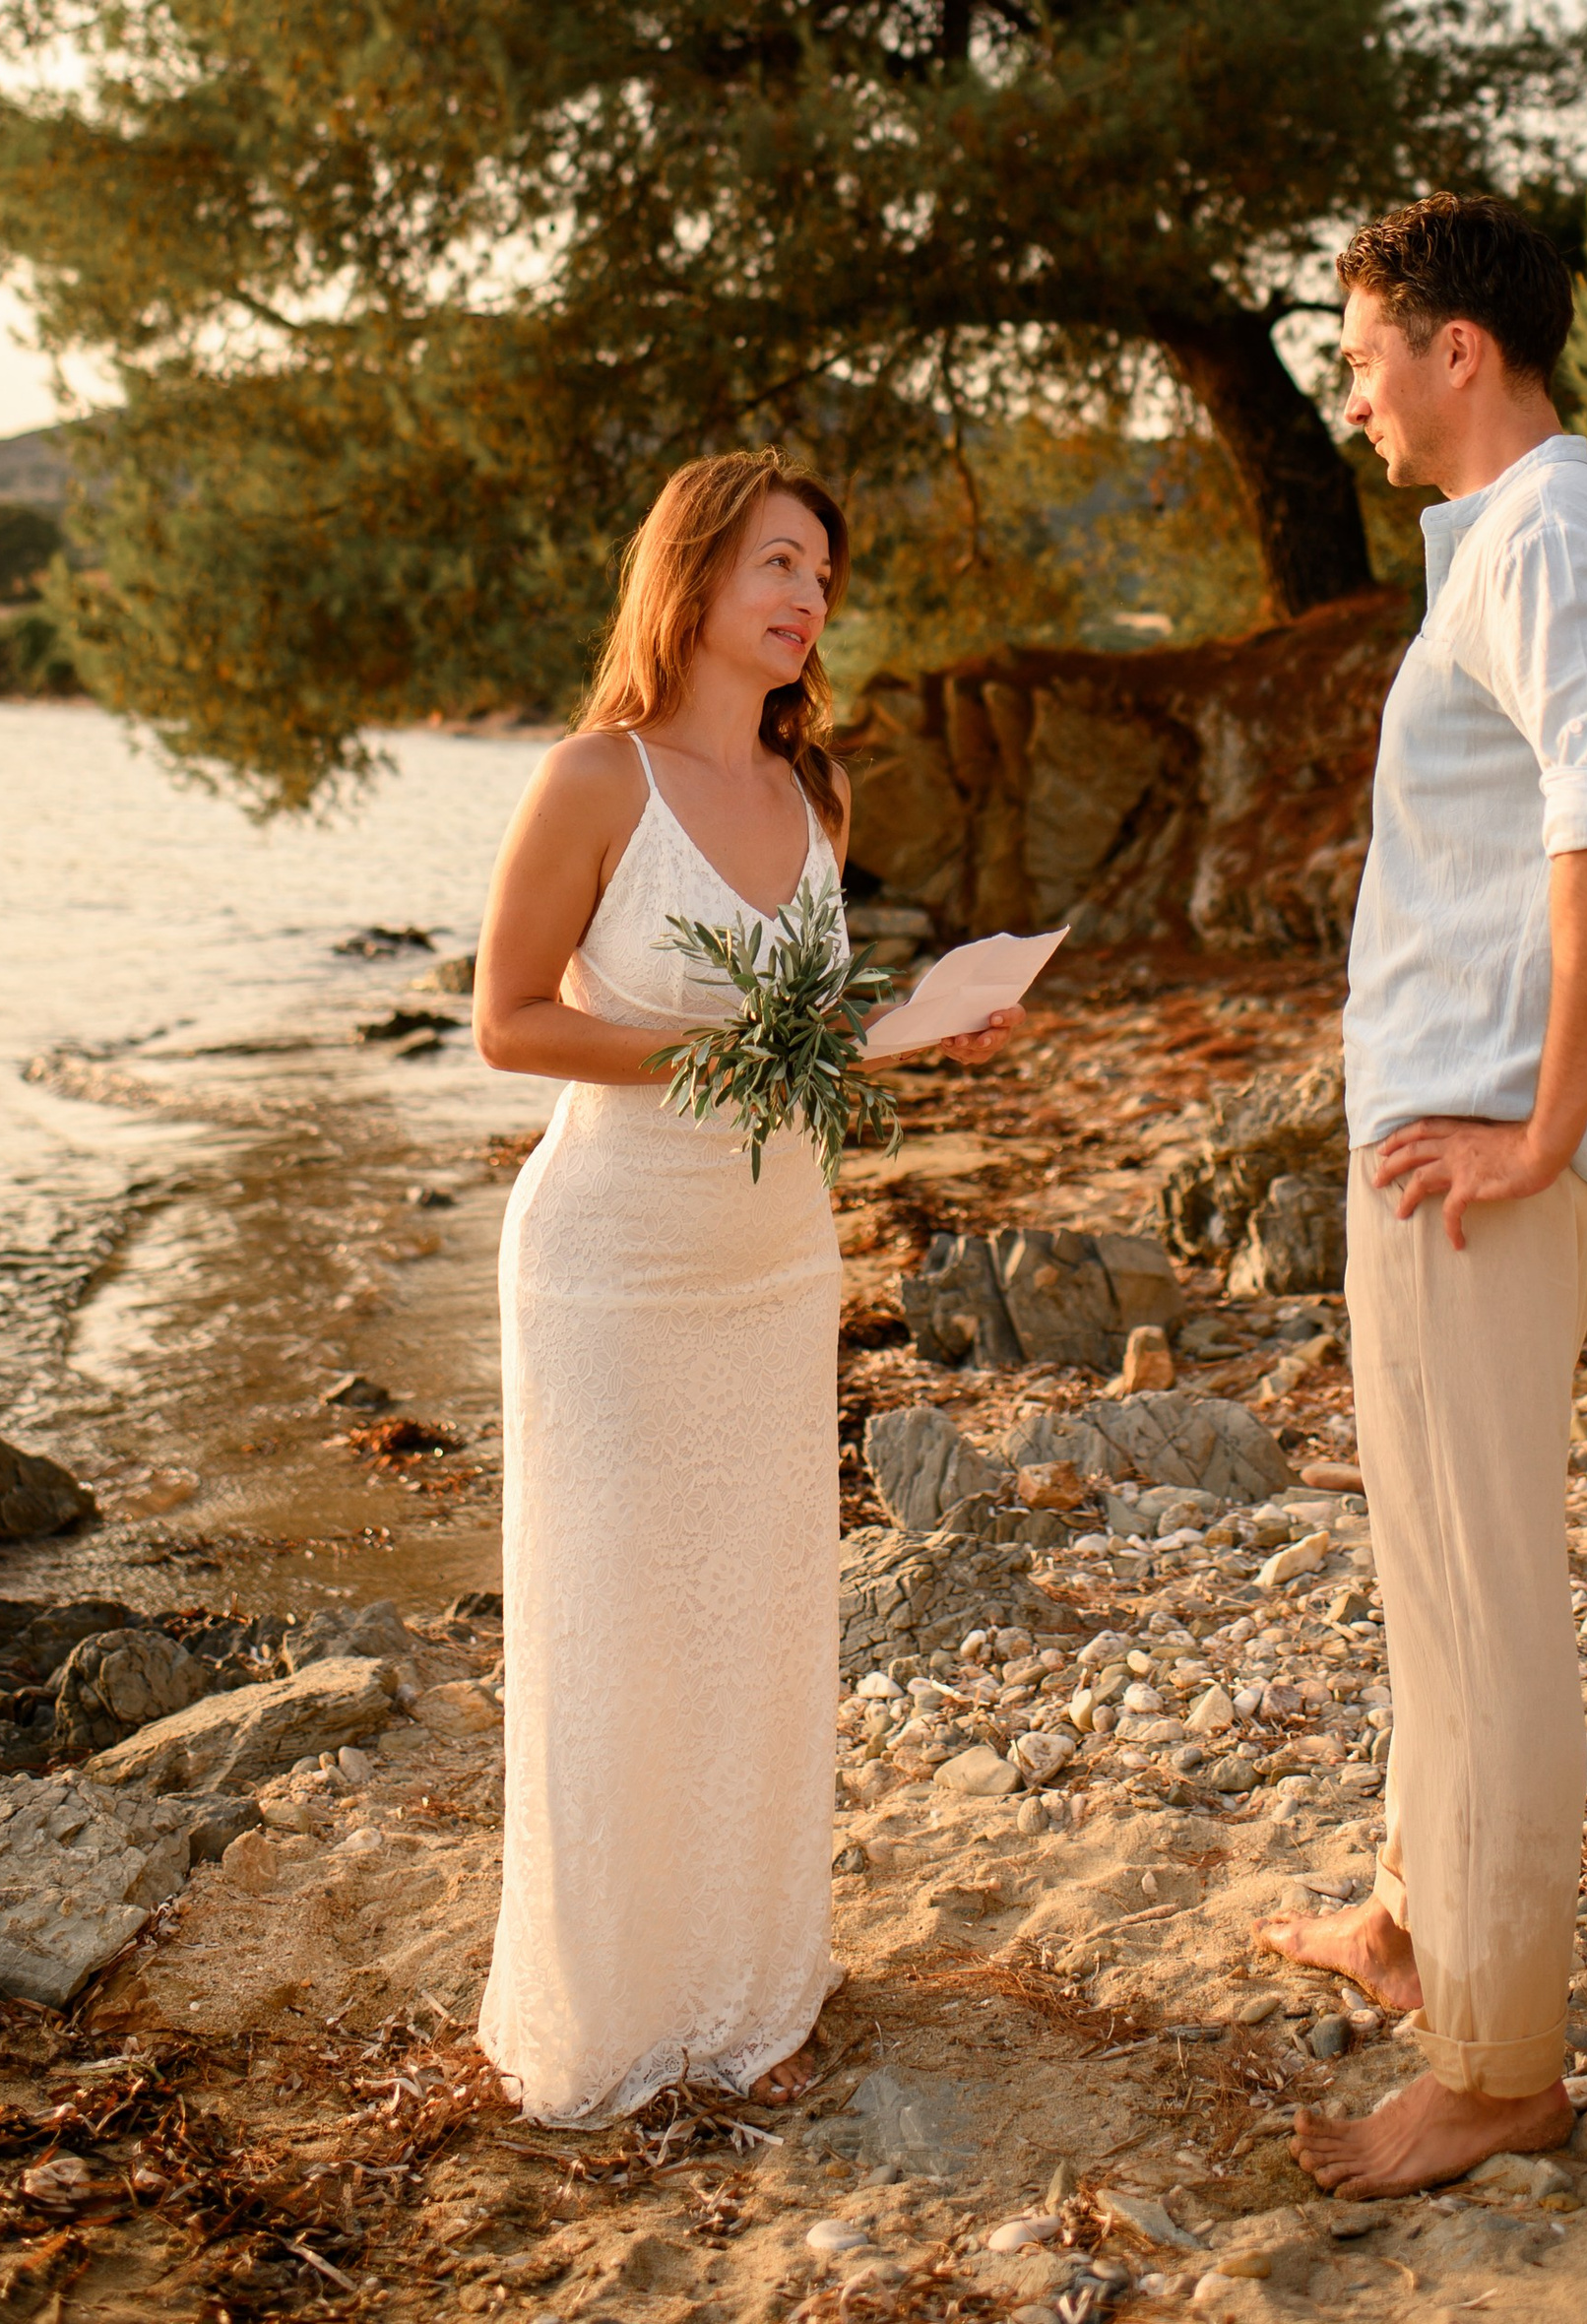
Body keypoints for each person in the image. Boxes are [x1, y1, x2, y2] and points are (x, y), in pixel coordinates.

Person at [1257, 196, 1587, 2197]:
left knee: (1478, 1594)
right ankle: (1408, 1915)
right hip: (1447, 1131)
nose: (1349, 394)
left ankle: (1499, 2060)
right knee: (1434, 1572)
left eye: (1365, 352)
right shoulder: (1528, 540)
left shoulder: (1539, 536)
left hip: (1471, 1152)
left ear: (1458, 347)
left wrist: (1536, 1131)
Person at [473, 448, 1008, 2125]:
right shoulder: (594, 781)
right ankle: (619, 2014)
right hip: (614, 1274)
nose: (805, 600)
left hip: (777, 1264)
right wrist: (728, 1043)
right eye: (779, 563)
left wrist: (916, 1032)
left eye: (825, 580)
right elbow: (511, 1025)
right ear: (693, 575)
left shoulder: (817, 795)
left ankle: (752, 1993)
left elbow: (810, 1046)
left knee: (760, 1625)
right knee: (618, 1628)